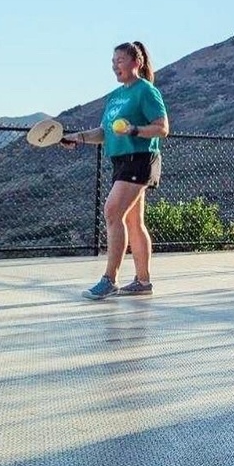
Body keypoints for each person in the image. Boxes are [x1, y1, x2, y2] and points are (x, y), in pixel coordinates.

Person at [62, 41, 169, 299]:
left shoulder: (146, 91)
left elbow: (162, 128)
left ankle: (110, 279)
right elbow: (105, 132)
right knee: (133, 221)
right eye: (113, 62)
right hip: (120, 161)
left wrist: (134, 130)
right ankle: (143, 283)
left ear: (137, 62)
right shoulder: (114, 96)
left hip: (141, 158)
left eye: (119, 61)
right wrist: (77, 137)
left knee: (111, 211)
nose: (115, 66)